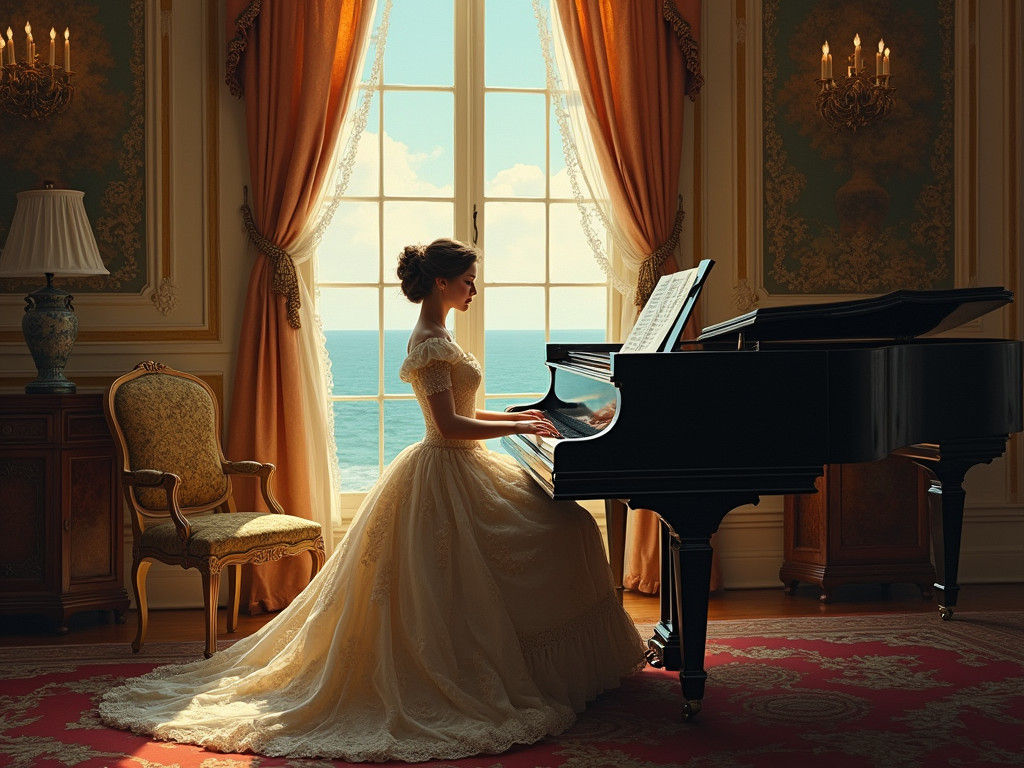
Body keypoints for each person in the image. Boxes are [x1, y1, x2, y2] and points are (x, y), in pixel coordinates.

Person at [99, 237, 645, 762]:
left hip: (462, 466)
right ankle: (514, 670)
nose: (474, 289)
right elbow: (449, 426)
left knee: (566, 525)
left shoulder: (439, 334)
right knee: (564, 528)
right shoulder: (430, 342)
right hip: (448, 469)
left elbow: (463, 411)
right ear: (441, 282)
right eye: (468, 280)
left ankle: (540, 666)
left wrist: (519, 417)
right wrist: (516, 427)